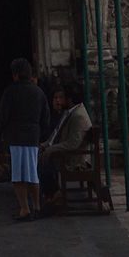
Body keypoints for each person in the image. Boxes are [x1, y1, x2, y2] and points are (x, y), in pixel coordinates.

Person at [0, 58, 50, 221]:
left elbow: (2, 116)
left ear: (16, 74)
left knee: (18, 175)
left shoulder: (10, 92)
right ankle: (37, 206)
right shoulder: (39, 92)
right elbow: (45, 118)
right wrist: (41, 135)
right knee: (33, 173)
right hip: (33, 137)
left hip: (16, 137)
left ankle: (24, 208)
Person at [38, 80, 92, 209]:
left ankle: (53, 195)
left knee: (45, 160)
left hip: (75, 159)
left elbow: (73, 143)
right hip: (68, 152)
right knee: (41, 156)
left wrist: (51, 149)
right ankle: (51, 194)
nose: (61, 101)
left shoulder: (77, 115)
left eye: (63, 97)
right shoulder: (71, 112)